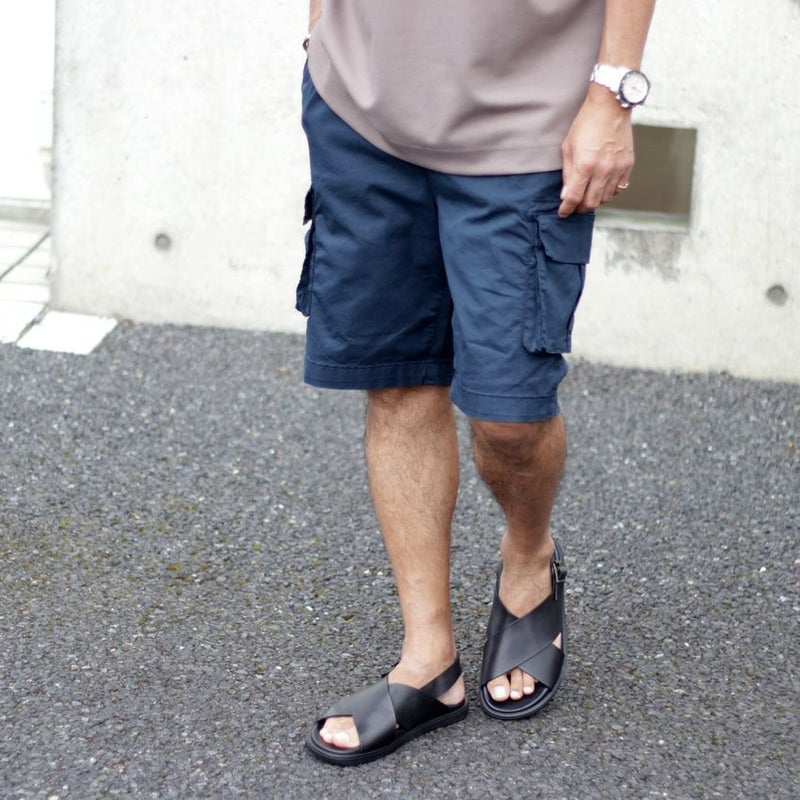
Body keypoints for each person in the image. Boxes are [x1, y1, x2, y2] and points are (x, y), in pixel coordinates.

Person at [298, 0, 656, 766]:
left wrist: (614, 94)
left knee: (510, 418)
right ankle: (428, 662)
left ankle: (528, 555)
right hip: (361, 112)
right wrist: (321, 24)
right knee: (397, 383)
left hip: (530, 129)